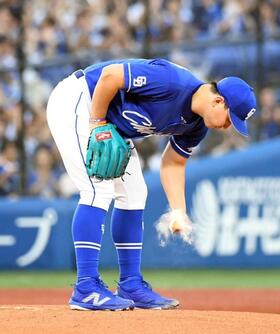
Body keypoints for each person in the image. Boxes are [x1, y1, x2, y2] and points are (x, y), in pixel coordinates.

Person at [46, 58, 257, 311]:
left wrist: (178, 211)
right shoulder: (171, 81)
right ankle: (86, 287)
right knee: (97, 189)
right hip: (80, 100)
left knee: (135, 192)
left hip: (109, 123)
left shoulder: (196, 126)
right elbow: (110, 77)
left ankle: (130, 284)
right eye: (230, 118)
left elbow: (174, 163)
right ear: (218, 101)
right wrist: (98, 125)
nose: (228, 126)